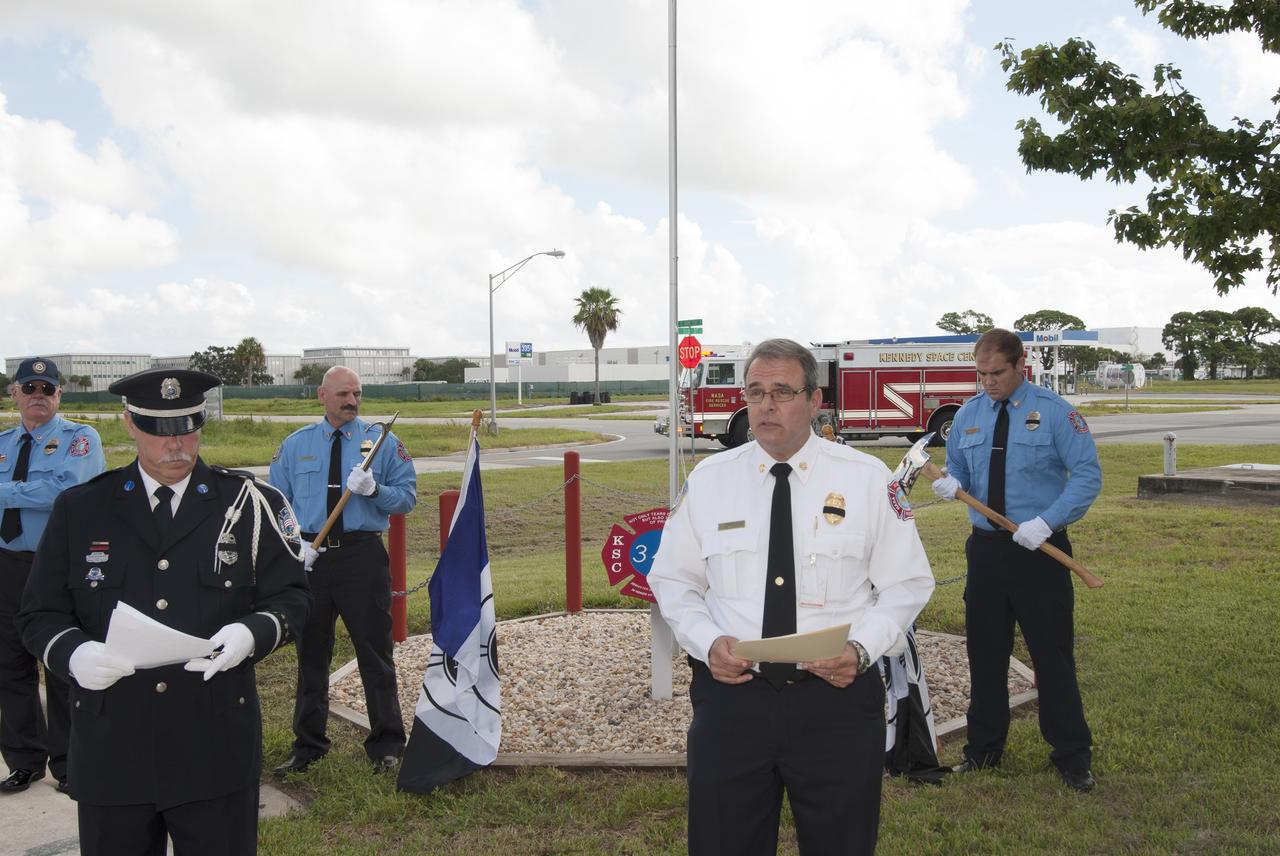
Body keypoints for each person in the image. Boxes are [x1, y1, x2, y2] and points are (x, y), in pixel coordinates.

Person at [649, 338, 935, 855]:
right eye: (755, 391)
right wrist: (707, 641)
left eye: (782, 391)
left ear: (815, 400)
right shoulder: (711, 481)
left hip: (836, 703)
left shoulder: (867, 480)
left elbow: (907, 583)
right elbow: (673, 579)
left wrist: (862, 651)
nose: (765, 405)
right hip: (733, 703)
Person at [16, 368, 310, 855]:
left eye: (188, 427)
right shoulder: (82, 509)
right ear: (130, 424)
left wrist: (252, 633)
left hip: (213, 744)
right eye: (158, 429)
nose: (175, 443)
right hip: (113, 744)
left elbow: (293, 596)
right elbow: (38, 613)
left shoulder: (249, 503)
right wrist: (72, 654)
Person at [931, 328, 1101, 792]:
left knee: (1052, 655)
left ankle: (1071, 757)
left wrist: (1047, 521)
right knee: (985, 654)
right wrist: (950, 482)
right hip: (986, 551)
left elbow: (1086, 475)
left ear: (1020, 364)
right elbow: (961, 472)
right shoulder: (968, 415)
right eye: (981, 374)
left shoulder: (1054, 413)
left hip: (1040, 551)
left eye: (997, 373)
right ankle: (983, 752)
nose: (988, 382)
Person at [269, 366, 417, 776]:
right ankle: (309, 745)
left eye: (357, 394)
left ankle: (387, 744)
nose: (351, 402)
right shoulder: (297, 446)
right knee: (311, 655)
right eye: (343, 395)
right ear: (322, 396)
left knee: (375, 653)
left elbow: (406, 498)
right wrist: (293, 544)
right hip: (311, 558)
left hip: (361, 558)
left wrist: (375, 490)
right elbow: (276, 504)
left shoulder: (382, 443)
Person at [0, 358, 105, 795]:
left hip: (57, 565)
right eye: (29, 388)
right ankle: (25, 761)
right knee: (10, 666)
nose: (37, 395)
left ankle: (70, 763)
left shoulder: (79, 438)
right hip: (6, 564)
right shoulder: (3, 442)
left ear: (59, 395)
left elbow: (67, 491)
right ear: (15, 395)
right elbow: (43, 492)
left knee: (62, 663)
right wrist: (26, 493)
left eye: (47, 388)